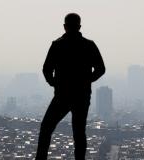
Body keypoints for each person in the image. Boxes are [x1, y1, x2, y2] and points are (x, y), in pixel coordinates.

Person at [35, 13, 105, 160]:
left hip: (62, 95)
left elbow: (47, 69)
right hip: (81, 95)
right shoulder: (88, 45)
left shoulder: (58, 45)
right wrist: (87, 81)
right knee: (79, 133)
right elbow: (101, 69)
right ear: (79, 26)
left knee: (46, 128)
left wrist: (54, 83)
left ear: (65, 27)